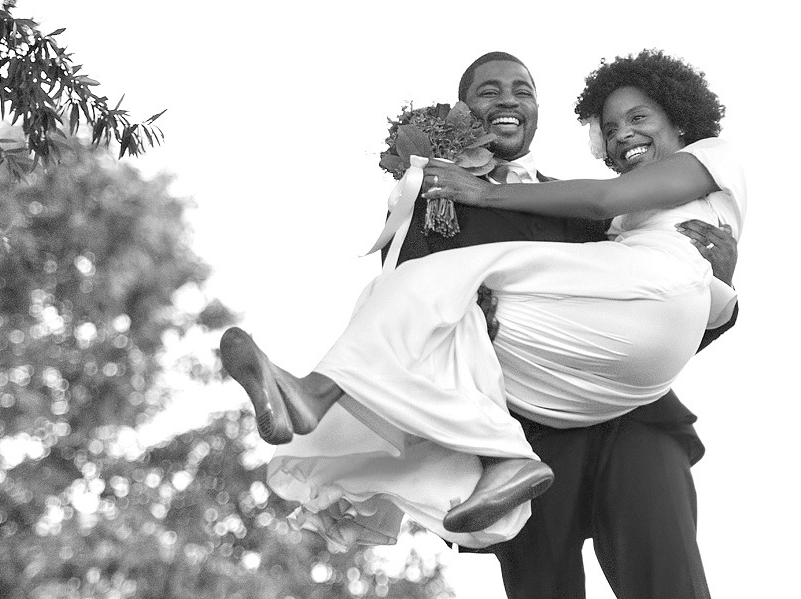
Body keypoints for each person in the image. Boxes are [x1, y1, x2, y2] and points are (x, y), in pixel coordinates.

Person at [220, 50, 742, 589]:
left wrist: (721, 294)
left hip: (631, 421)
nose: (508, 99)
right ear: (462, 111)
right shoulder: (429, 202)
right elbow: (406, 311)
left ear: (538, 109)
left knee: (669, 579)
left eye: (522, 89)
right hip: (523, 424)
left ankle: (317, 393)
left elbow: (639, 319)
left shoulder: (594, 208)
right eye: (488, 91)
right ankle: (343, 404)